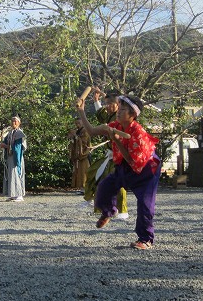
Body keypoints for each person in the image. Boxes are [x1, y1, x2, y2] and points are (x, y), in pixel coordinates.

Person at [76, 93, 161, 250]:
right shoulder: (116, 126)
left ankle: (146, 239)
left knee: (145, 205)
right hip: (126, 166)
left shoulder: (138, 133)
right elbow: (93, 131)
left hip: (147, 170)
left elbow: (131, 159)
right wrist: (81, 110)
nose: (119, 112)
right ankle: (109, 211)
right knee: (104, 187)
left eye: (123, 109)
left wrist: (115, 140)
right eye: (119, 108)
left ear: (132, 114)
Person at [82, 87, 129, 219]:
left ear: (118, 104)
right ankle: (95, 203)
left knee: (118, 182)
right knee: (93, 172)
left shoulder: (122, 116)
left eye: (110, 104)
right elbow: (103, 117)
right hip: (110, 153)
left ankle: (121, 210)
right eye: (106, 104)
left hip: (121, 155)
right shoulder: (112, 115)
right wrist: (97, 100)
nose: (107, 107)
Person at [0, 115, 27, 201]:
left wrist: (7, 146)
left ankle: (19, 195)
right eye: (12, 121)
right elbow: (5, 142)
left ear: (19, 123)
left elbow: (17, 148)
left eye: (15, 121)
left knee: (16, 174)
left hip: (16, 157)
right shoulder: (10, 133)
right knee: (11, 175)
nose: (13, 123)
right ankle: (13, 194)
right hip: (10, 157)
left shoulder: (19, 133)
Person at [68, 118, 91, 191]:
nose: (77, 125)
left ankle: (85, 188)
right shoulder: (78, 131)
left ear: (83, 123)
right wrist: (72, 137)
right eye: (76, 123)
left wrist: (76, 137)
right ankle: (80, 188)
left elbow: (84, 142)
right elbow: (75, 141)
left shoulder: (85, 131)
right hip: (77, 155)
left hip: (84, 154)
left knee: (84, 172)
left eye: (79, 123)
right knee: (78, 172)